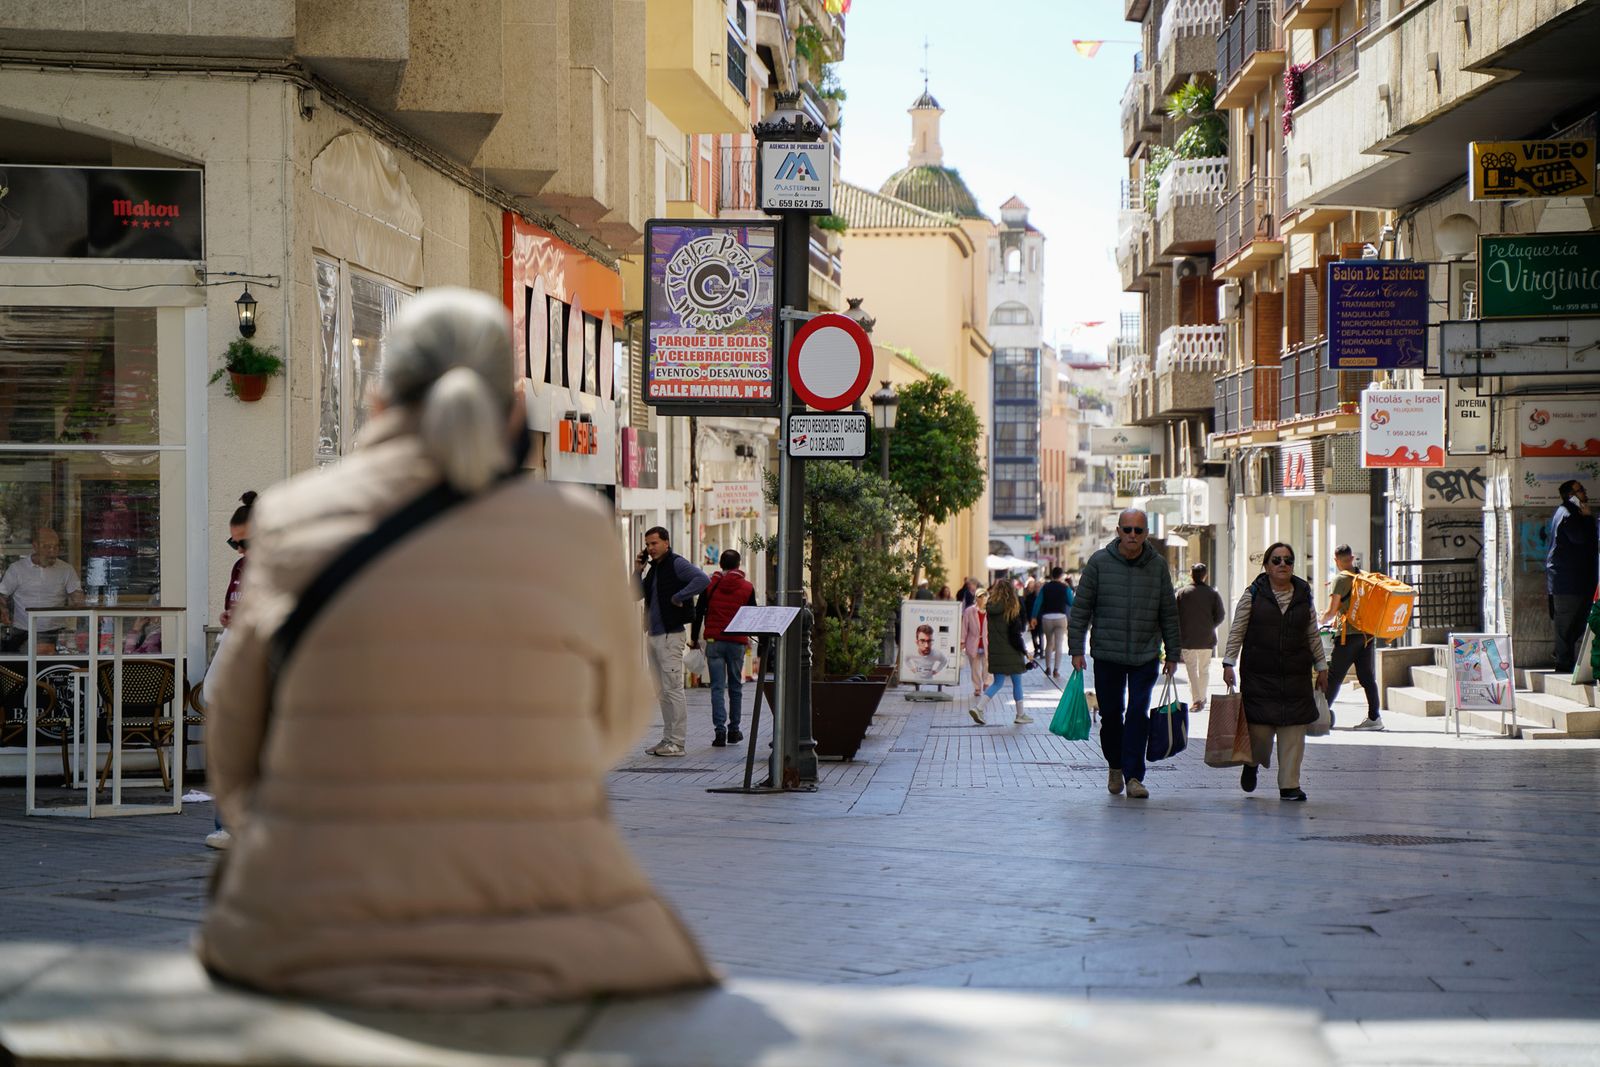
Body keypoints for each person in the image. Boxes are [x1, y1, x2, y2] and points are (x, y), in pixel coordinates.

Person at [196, 288, 712, 1006]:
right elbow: (620, 716)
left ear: (378, 401)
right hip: (547, 932)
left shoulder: (289, 520)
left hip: (313, 934)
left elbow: (232, 726)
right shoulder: (577, 530)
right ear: (515, 410)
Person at [1068, 508, 1181, 801]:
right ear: (1118, 531)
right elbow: (1081, 609)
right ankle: (1115, 765)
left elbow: (1169, 613)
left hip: (1145, 654)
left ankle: (1134, 777)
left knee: (1138, 714)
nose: (1132, 535)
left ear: (1146, 534)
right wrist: (1076, 649)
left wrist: (1172, 653)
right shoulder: (1099, 562)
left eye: (1138, 530)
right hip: (1108, 653)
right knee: (1111, 715)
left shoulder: (1157, 566)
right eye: (1127, 529)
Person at [1222, 543, 1329, 802]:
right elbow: (1237, 630)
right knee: (1259, 733)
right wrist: (1228, 662)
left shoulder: (1303, 594)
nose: (1283, 565)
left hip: (1296, 676)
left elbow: (1312, 633)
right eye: (1277, 560)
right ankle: (1252, 763)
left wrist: (1321, 665)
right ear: (1267, 566)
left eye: (1288, 560)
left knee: (1294, 733)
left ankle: (1290, 785)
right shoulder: (1253, 594)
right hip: (1260, 675)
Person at [206, 490, 256, 852]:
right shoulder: (241, 568)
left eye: (245, 543)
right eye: (233, 543)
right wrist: (228, 616)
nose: (239, 550)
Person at [636, 526, 709, 757]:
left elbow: (702, 579)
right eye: (648, 544)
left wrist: (679, 596)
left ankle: (677, 743)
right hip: (654, 635)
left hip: (670, 635)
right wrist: (638, 570)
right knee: (662, 691)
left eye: (654, 543)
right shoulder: (653, 569)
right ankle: (667, 739)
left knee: (673, 689)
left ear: (666, 543)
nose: (650, 548)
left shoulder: (677, 563)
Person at [692, 548, 756, 748]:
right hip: (737, 642)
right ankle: (734, 730)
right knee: (736, 687)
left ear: (720, 564)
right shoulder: (747, 587)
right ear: (738, 564)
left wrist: (693, 639)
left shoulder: (709, 585)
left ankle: (720, 732)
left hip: (715, 641)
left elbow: (699, 612)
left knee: (717, 688)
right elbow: (752, 614)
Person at [1319, 544, 1384, 731]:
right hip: (1367, 635)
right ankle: (1374, 718)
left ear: (1336, 560)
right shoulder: (1364, 576)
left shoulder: (1340, 579)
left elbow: (1332, 611)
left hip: (1348, 636)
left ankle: (1321, 716)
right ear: (1352, 557)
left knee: (1334, 676)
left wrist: (1321, 620)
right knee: (1367, 677)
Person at [0, 528, 84, 651]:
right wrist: (3, 610)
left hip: (56, 632)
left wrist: (82, 604)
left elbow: (78, 598)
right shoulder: (17, 569)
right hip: (24, 631)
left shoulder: (66, 569)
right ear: (35, 546)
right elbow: (2, 595)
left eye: (56, 547)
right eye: (47, 547)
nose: (52, 551)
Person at [1548, 480, 1598, 673]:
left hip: (1575, 578)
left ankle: (1562, 654)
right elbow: (1581, 539)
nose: (1585, 492)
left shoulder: (1567, 512)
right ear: (1572, 495)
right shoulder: (1570, 515)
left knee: (1578, 621)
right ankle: (1562, 661)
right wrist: (1588, 519)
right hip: (1568, 580)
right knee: (1566, 622)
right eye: (1580, 490)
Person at [968, 580, 1034, 726]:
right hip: (1012, 652)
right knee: (1017, 683)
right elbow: (1015, 635)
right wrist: (1025, 651)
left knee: (997, 683)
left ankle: (978, 708)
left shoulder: (990, 608)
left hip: (996, 651)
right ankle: (1020, 714)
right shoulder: (1011, 608)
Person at [1176, 563, 1225, 714]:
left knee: (1191, 670)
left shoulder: (1182, 593)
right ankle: (1202, 698)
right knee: (1204, 670)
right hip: (1206, 638)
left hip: (1187, 638)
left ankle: (1197, 700)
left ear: (1190, 574)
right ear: (1205, 576)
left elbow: (1174, 616)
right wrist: (1210, 625)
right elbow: (1220, 615)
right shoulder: (1212, 593)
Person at [1031, 567, 1073, 678]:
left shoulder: (1045, 587)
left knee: (1049, 643)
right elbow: (1071, 602)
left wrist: (1033, 617)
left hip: (1047, 618)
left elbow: (1038, 602)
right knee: (1059, 644)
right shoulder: (1065, 588)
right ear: (1061, 575)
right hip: (1061, 617)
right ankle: (1056, 670)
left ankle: (1048, 668)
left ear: (1052, 575)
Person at [961, 587, 988, 697]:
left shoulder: (991, 611)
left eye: (984, 596)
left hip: (987, 642)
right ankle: (977, 687)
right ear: (976, 598)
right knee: (975, 668)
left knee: (988, 665)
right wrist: (962, 641)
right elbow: (964, 627)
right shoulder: (969, 611)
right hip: (973, 642)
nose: (982, 599)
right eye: (979, 597)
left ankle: (987, 683)